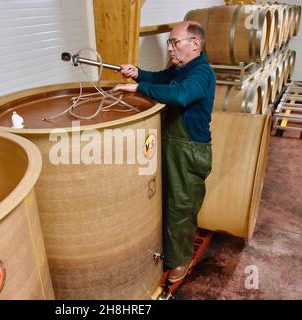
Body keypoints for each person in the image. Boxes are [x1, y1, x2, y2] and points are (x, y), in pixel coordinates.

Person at [112, 21, 215, 283]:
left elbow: (180, 95)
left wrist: (138, 88)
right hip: (171, 145)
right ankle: (167, 250)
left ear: (194, 44)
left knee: (181, 206)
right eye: (169, 42)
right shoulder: (179, 69)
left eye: (174, 42)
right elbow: (159, 79)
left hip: (189, 151)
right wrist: (137, 73)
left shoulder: (201, 73)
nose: (169, 48)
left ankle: (180, 260)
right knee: (166, 200)